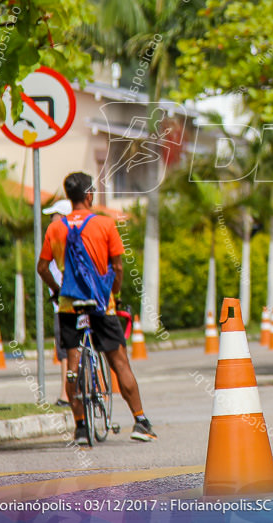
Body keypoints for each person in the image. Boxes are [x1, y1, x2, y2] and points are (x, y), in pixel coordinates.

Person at [36, 172, 157, 444]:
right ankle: (140, 421)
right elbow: (118, 267)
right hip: (101, 305)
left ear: (69, 197)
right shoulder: (106, 224)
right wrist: (113, 291)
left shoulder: (55, 228)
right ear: (89, 195)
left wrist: (57, 291)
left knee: (72, 365)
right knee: (119, 362)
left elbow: (42, 268)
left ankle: (80, 428)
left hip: (69, 306)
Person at [43, 199, 73, 407]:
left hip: (62, 302)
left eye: (53, 216)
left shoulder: (56, 238)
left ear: (62, 218)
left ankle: (66, 393)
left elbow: (42, 267)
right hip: (80, 299)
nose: (50, 220)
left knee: (65, 351)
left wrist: (55, 289)